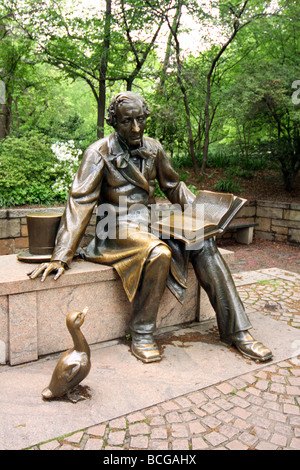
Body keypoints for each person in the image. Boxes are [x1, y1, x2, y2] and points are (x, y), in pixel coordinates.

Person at [29, 91, 272, 364]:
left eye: (140, 120)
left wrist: (204, 218)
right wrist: (62, 254)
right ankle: (142, 332)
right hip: (114, 228)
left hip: (150, 222)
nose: (135, 128)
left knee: (204, 243)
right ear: (113, 121)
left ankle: (236, 331)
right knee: (158, 253)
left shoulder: (154, 148)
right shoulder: (97, 153)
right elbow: (80, 202)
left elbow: (174, 186)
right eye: (126, 122)